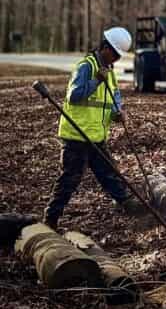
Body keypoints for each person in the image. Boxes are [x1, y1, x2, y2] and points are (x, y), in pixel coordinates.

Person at [43, 26, 142, 229]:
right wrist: (96, 80)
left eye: (118, 56)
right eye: (114, 54)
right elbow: (74, 96)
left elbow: (113, 98)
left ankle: (125, 203)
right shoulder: (86, 67)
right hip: (77, 136)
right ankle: (50, 218)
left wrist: (118, 112)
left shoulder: (109, 71)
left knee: (109, 172)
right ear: (105, 47)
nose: (115, 59)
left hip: (96, 135)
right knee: (70, 179)